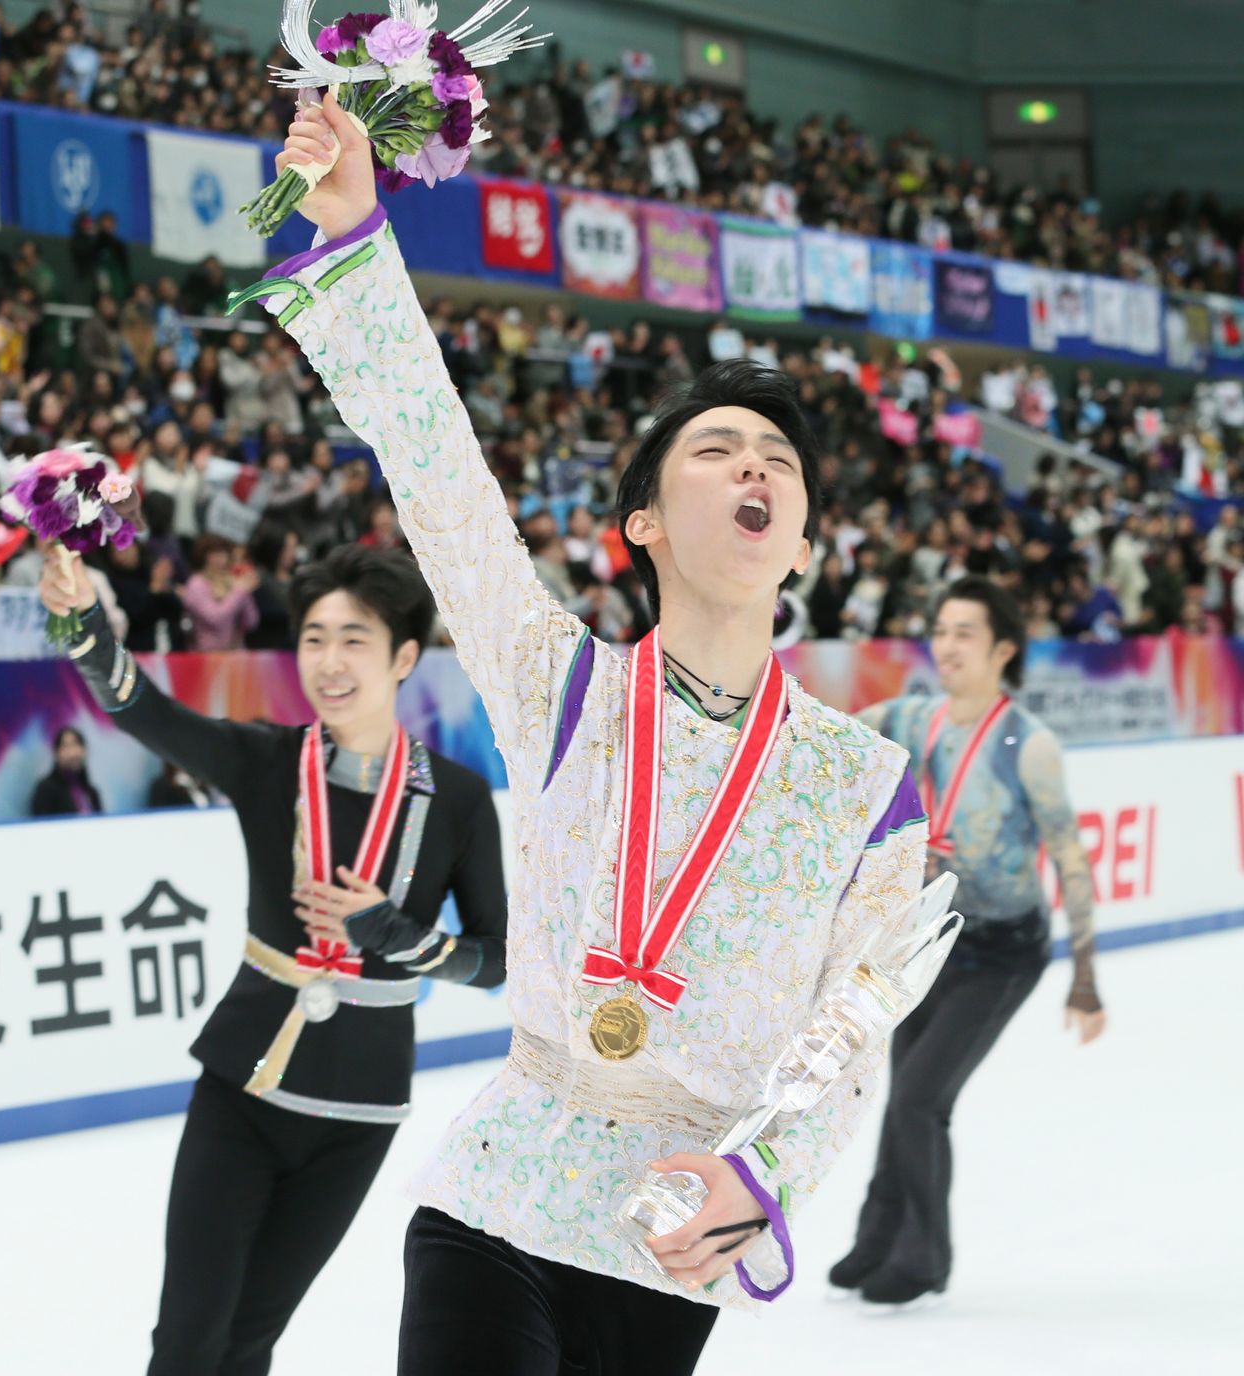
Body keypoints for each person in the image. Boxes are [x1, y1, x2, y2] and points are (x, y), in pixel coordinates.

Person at [242, 94, 928, 1376]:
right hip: (498, 1195)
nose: (753, 470)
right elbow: (440, 480)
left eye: (775, 460)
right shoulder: (562, 687)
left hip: (667, 1237)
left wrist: (762, 1178)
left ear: (801, 537)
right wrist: (354, 243)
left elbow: (848, 1029)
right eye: (715, 447)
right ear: (645, 521)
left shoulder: (864, 781)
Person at [39, 542, 508, 1375]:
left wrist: (403, 939)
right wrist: (82, 626)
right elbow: (144, 711)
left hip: (357, 1114)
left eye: (354, 638)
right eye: (315, 637)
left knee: (252, 1341)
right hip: (241, 1092)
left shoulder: (461, 799)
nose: (328, 661)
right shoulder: (266, 763)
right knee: (187, 1342)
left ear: (403, 656)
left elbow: (497, 959)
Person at [828, 576, 1106, 1308]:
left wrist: (1085, 975)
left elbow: (1072, 859)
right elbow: (833, 728)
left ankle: (923, 1259)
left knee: (922, 1098)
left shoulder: (1030, 746)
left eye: (964, 633)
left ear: (1003, 648)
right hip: (932, 943)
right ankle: (876, 1239)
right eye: (941, 630)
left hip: (1003, 953)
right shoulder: (916, 718)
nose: (946, 646)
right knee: (904, 1094)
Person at [30, 726, 102, 816]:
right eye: (66, 746)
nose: (73, 753)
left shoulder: (91, 792)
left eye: (77, 744)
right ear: (56, 752)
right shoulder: (46, 789)